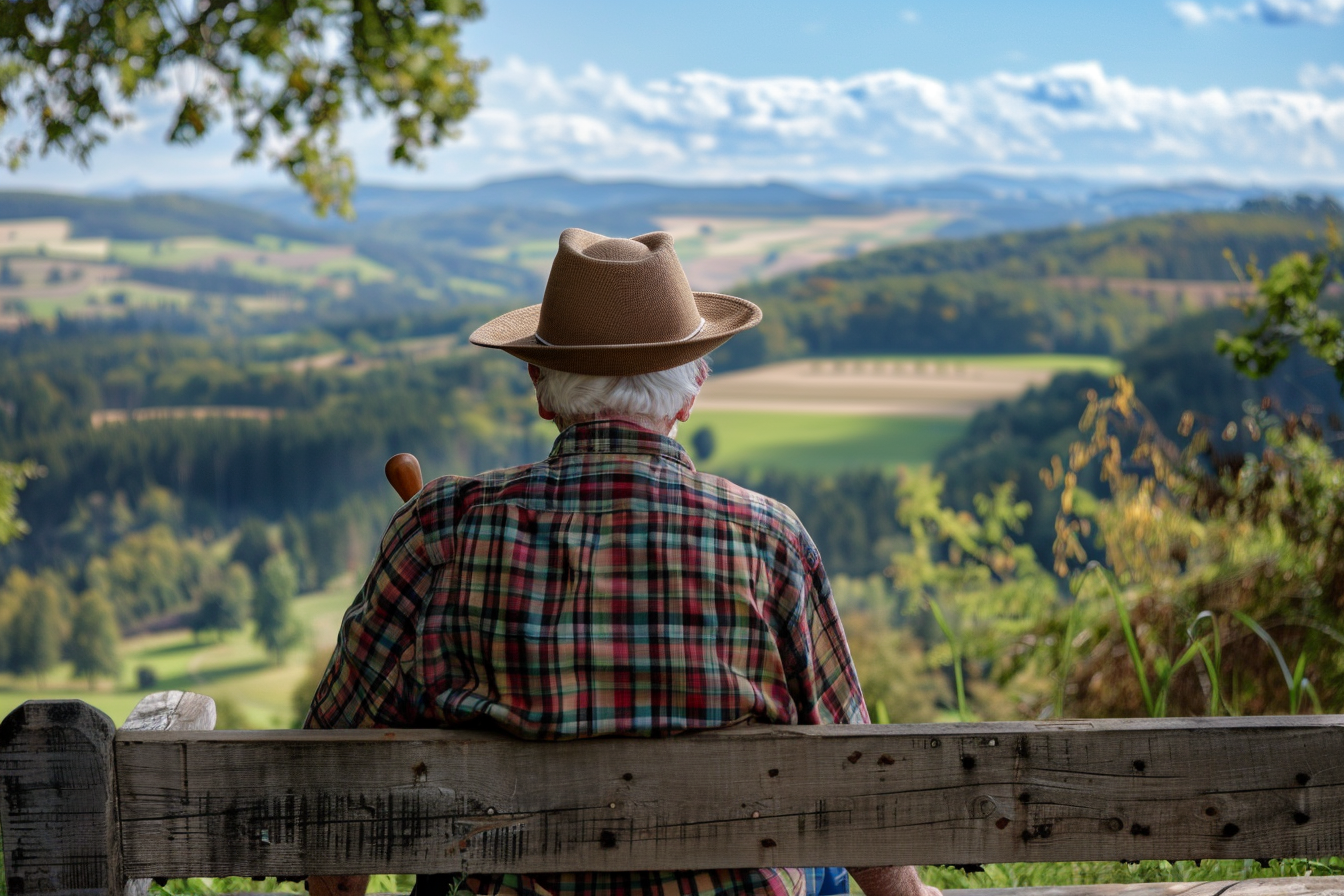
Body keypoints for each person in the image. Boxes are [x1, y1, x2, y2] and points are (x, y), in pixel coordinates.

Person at [305, 229, 941, 896]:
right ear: (692, 390)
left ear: (541, 388)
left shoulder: (438, 527)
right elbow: (855, 773)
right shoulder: (769, 539)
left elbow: (334, 765)